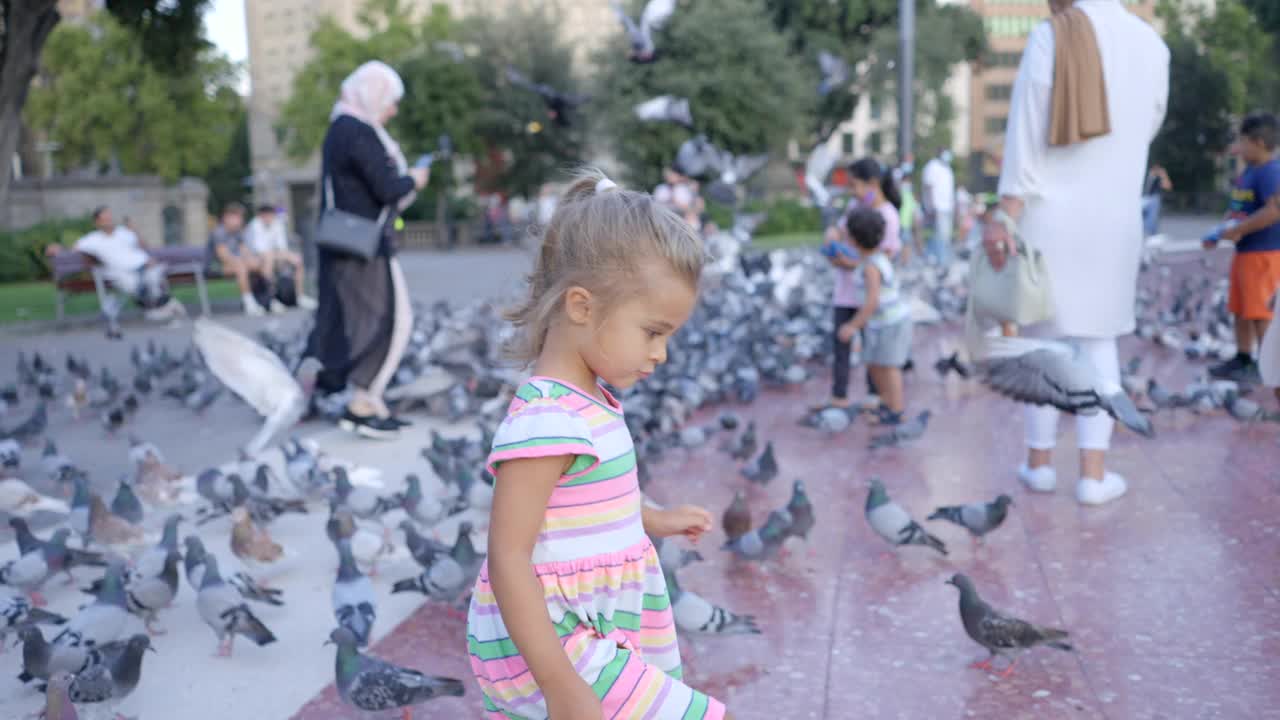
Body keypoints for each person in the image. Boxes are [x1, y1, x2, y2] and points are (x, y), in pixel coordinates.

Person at [467, 170, 729, 720]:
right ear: (582, 307)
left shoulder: (590, 401)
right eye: (653, 332)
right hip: (558, 640)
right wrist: (560, 685)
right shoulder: (546, 419)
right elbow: (509, 555)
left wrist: (652, 520)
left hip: (592, 625)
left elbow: (574, 508)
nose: (661, 354)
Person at [982, 0, 1168, 506]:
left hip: (1048, 216)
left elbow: (1024, 132)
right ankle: (1093, 476)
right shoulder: (1152, 44)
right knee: (1099, 341)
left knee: (1046, 345)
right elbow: (1147, 127)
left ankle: (1039, 465)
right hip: (1114, 218)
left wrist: (1005, 214)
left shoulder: (1053, 35)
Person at [305, 61, 429, 439]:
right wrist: (415, 179)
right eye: (389, 101)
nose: (392, 110)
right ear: (371, 95)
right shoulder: (355, 130)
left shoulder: (342, 126)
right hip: (362, 246)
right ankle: (360, 402)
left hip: (354, 242)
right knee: (388, 320)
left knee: (374, 319)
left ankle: (369, 398)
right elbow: (388, 188)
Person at [815, 157, 902, 412]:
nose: (852, 191)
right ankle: (839, 396)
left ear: (873, 183)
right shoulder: (855, 206)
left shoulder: (888, 215)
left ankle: (877, 399)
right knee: (840, 347)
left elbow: (878, 263)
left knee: (873, 353)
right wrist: (832, 237)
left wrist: (846, 263)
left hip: (868, 295)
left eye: (855, 185)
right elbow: (842, 232)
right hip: (846, 291)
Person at [1207, 113, 1280, 384]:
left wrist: (1238, 230)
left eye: (1243, 141)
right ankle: (1243, 358)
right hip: (1245, 252)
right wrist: (1219, 231)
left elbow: (1275, 210)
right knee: (1241, 308)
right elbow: (1238, 206)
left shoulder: (1272, 172)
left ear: (1259, 142)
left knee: (1261, 313)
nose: (1239, 147)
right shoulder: (1249, 171)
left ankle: (1269, 368)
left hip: (1265, 253)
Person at [836, 207, 913, 423]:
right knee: (874, 365)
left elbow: (871, 302)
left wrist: (852, 326)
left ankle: (896, 411)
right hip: (879, 324)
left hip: (891, 323)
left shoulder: (871, 267)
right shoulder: (871, 259)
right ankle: (887, 404)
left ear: (853, 239)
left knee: (889, 367)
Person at [45, 206, 185, 323]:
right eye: (104, 219)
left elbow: (143, 247)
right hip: (120, 272)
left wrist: (137, 233)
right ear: (97, 222)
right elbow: (72, 250)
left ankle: (159, 307)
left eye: (109, 217)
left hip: (144, 265)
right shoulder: (92, 239)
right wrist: (57, 249)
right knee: (132, 283)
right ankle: (159, 308)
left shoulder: (124, 232)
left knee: (154, 277)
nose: (109, 221)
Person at [245, 204, 317, 310]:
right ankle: (271, 299)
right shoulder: (254, 225)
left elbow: (282, 247)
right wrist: (277, 256)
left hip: (274, 255)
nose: (269, 218)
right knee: (268, 259)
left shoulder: (277, 224)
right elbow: (260, 250)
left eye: (271, 215)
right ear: (261, 215)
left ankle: (299, 296)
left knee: (297, 259)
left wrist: (282, 257)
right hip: (256, 258)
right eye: (266, 215)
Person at [208, 202, 273, 316]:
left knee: (259, 263)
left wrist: (254, 261)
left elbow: (245, 251)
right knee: (241, 267)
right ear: (227, 217)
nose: (240, 220)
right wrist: (245, 262)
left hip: (235, 263)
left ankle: (268, 299)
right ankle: (249, 304)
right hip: (215, 266)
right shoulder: (219, 232)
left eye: (241, 217)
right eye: (238, 217)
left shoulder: (237, 232)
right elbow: (224, 257)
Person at [922, 149, 957, 266]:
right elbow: (929, 186)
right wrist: (931, 206)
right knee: (938, 235)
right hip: (936, 208)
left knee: (945, 236)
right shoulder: (932, 166)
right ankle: (937, 261)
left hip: (947, 208)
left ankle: (942, 261)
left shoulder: (947, 168)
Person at [1141, 164, 1171, 237]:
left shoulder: (1158, 178)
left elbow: (1168, 186)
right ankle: (1146, 231)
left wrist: (1163, 175)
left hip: (1152, 198)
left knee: (1153, 214)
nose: (1156, 170)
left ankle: (1150, 232)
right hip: (1142, 198)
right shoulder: (1144, 175)